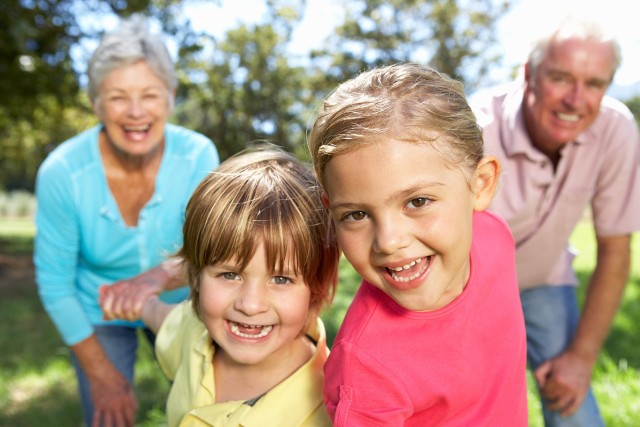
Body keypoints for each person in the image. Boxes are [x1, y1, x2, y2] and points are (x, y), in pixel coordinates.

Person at [307, 63, 528, 426]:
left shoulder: (494, 237)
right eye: (357, 215)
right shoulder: (366, 365)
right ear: (332, 213)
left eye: (418, 202)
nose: (389, 241)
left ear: (481, 184)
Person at [33, 15, 219, 427]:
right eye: (118, 97)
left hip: (178, 298)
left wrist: (155, 279)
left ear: (170, 97)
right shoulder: (62, 172)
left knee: (208, 408)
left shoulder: (198, 156)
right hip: (96, 305)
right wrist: (102, 376)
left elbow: (210, 251)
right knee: (108, 413)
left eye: (150, 94)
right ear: (96, 103)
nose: (136, 113)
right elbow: (54, 281)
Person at [472, 16, 640, 426]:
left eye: (595, 84)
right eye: (561, 79)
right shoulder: (475, 128)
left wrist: (581, 358)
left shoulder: (616, 129)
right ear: (529, 74)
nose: (576, 100)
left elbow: (616, 248)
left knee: (572, 399)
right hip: (467, 292)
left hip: (544, 280)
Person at [99, 145, 340, 426]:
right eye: (229, 274)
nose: (250, 305)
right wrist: (134, 301)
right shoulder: (193, 331)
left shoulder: (328, 410)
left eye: (281, 279)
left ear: (316, 288)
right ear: (196, 276)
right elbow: (159, 317)